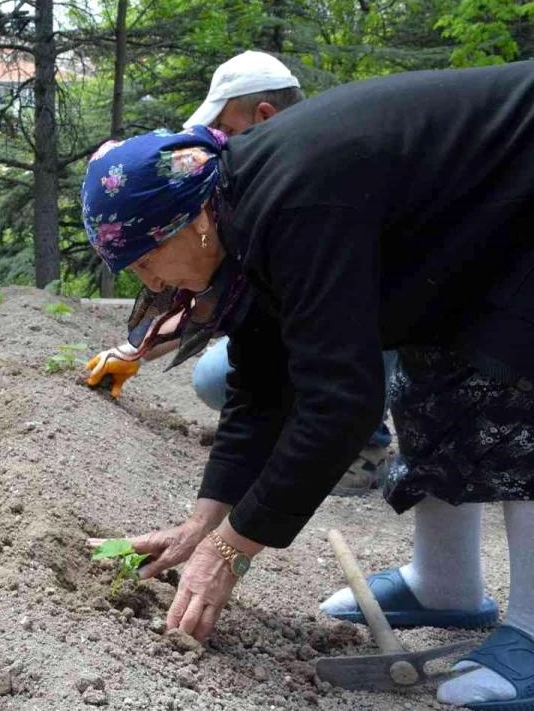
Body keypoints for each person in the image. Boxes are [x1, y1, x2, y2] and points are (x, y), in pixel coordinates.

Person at [80, 61, 534, 710]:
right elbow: (263, 384)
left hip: (521, 186)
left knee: (515, 385)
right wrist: (203, 525)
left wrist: (234, 548)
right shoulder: (240, 218)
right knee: (433, 382)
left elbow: (340, 406)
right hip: (474, 226)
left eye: (146, 260)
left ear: (190, 221)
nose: (153, 285)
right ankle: (448, 586)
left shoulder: (293, 202)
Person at [84, 51, 396, 496]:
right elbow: (221, 297)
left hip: (389, 305)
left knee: (351, 333)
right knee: (214, 378)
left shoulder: (313, 183)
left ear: (266, 116)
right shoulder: (242, 198)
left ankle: (362, 445)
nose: (216, 145)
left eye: (225, 131)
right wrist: (137, 347)